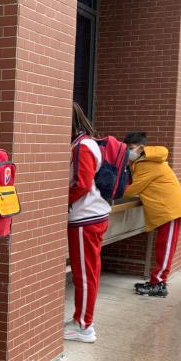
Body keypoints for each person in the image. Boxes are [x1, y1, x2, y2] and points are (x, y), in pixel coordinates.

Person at [122, 131, 181, 298]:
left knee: (165, 248)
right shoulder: (142, 161)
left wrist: (111, 190)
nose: (128, 152)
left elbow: (133, 189)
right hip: (165, 209)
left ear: (141, 148)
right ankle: (155, 281)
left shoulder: (147, 164)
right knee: (162, 247)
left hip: (170, 210)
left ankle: (159, 284)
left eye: (131, 148)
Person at [65, 104, 110, 343]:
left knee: (84, 274)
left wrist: (61, 203)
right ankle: (82, 320)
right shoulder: (85, 143)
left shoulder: (82, 146)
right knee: (88, 273)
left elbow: (81, 184)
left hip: (86, 217)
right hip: (91, 216)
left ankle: (84, 326)